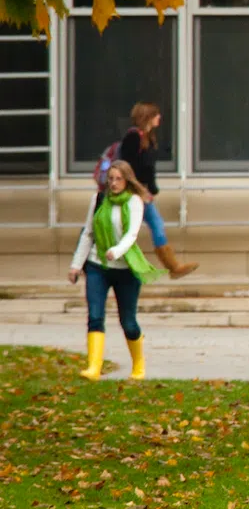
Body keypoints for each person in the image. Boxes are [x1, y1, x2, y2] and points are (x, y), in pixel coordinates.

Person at [72, 160, 160, 380]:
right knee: (95, 316)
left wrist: (117, 251)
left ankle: (138, 365)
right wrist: (76, 265)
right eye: (110, 179)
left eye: (118, 179)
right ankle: (94, 368)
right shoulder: (99, 200)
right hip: (97, 266)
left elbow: (132, 234)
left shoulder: (134, 201)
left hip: (125, 270)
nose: (113, 183)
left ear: (127, 179)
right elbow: (88, 234)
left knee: (128, 322)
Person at [110, 103, 196, 278]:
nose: (159, 118)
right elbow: (128, 168)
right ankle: (116, 264)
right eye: (156, 115)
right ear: (147, 117)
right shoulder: (133, 138)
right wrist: (139, 189)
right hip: (133, 193)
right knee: (127, 228)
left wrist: (150, 188)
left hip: (142, 192)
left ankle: (173, 267)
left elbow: (148, 169)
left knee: (154, 224)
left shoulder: (147, 137)